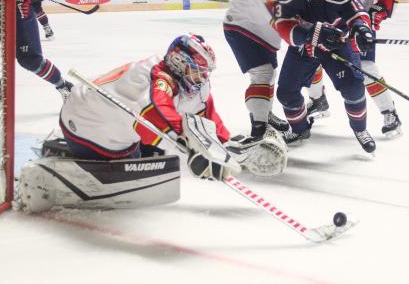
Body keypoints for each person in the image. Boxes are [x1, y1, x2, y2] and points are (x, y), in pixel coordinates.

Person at [17, 35, 286, 212]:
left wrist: (226, 146)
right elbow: (152, 117)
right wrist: (189, 150)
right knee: (131, 159)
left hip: (108, 121)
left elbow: (206, 115)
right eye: (198, 70)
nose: (202, 77)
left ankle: (69, 150)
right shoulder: (154, 78)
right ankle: (58, 164)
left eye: (205, 72)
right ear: (180, 63)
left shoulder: (187, 78)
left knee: (148, 155)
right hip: (87, 122)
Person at [272, 0, 376, 153]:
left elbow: (357, 12)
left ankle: (360, 129)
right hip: (304, 47)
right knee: (285, 92)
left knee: (354, 87)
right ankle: (300, 129)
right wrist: (311, 33)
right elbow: (282, 25)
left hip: (336, 45)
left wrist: (361, 28)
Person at [316, 0, 402, 137]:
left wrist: (380, 10)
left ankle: (390, 113)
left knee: (365, 67)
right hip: (334, 20)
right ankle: (317, 101)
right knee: (310, 55)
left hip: (360, 19)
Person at [223, 0, 295, 143]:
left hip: (264, 30)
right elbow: (279, 15)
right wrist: (303, 32)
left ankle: (265, 113)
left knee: (270, 72)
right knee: (262, 74)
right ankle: (259, 129)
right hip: (243, 27)